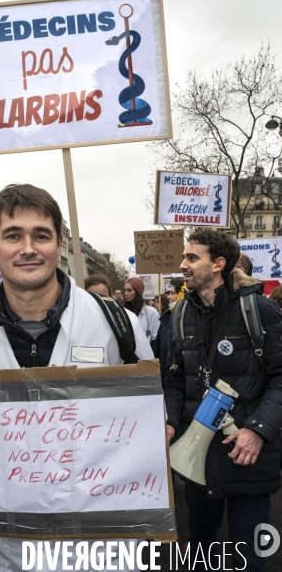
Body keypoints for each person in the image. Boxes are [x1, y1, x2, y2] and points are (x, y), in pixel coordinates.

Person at [0, 183, 153, 572]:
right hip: (3, 548)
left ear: (59, 242)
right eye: (13, 236)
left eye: (41, 235)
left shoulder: (118, 325)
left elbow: (147, 416)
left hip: (98, 544)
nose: (28, 248)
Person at [164, 230, 282, 572]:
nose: (183, 264)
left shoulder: (258, 310)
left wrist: (258, 431)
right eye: (184, 257)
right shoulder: (180, 314)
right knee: (201, 554)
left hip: (246, 455)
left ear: (218, 264)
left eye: (191, 258)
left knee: (249, 557)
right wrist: (171, 421)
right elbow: (174, 379)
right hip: (195, 457)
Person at [154, 279, 185, 388]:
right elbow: (157, 351)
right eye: (168, 293)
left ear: (182, 294)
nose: (168, 297)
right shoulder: (166, 318)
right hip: (166, 377)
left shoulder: (190, 319)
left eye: (172, 293)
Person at [123, 277, 159, 347]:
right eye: (125, 290)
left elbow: (156, 338)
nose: (126, 293)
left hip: (146, 354)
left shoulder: (152, 313)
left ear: (138, 292)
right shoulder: (122, 311)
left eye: (129, 290)